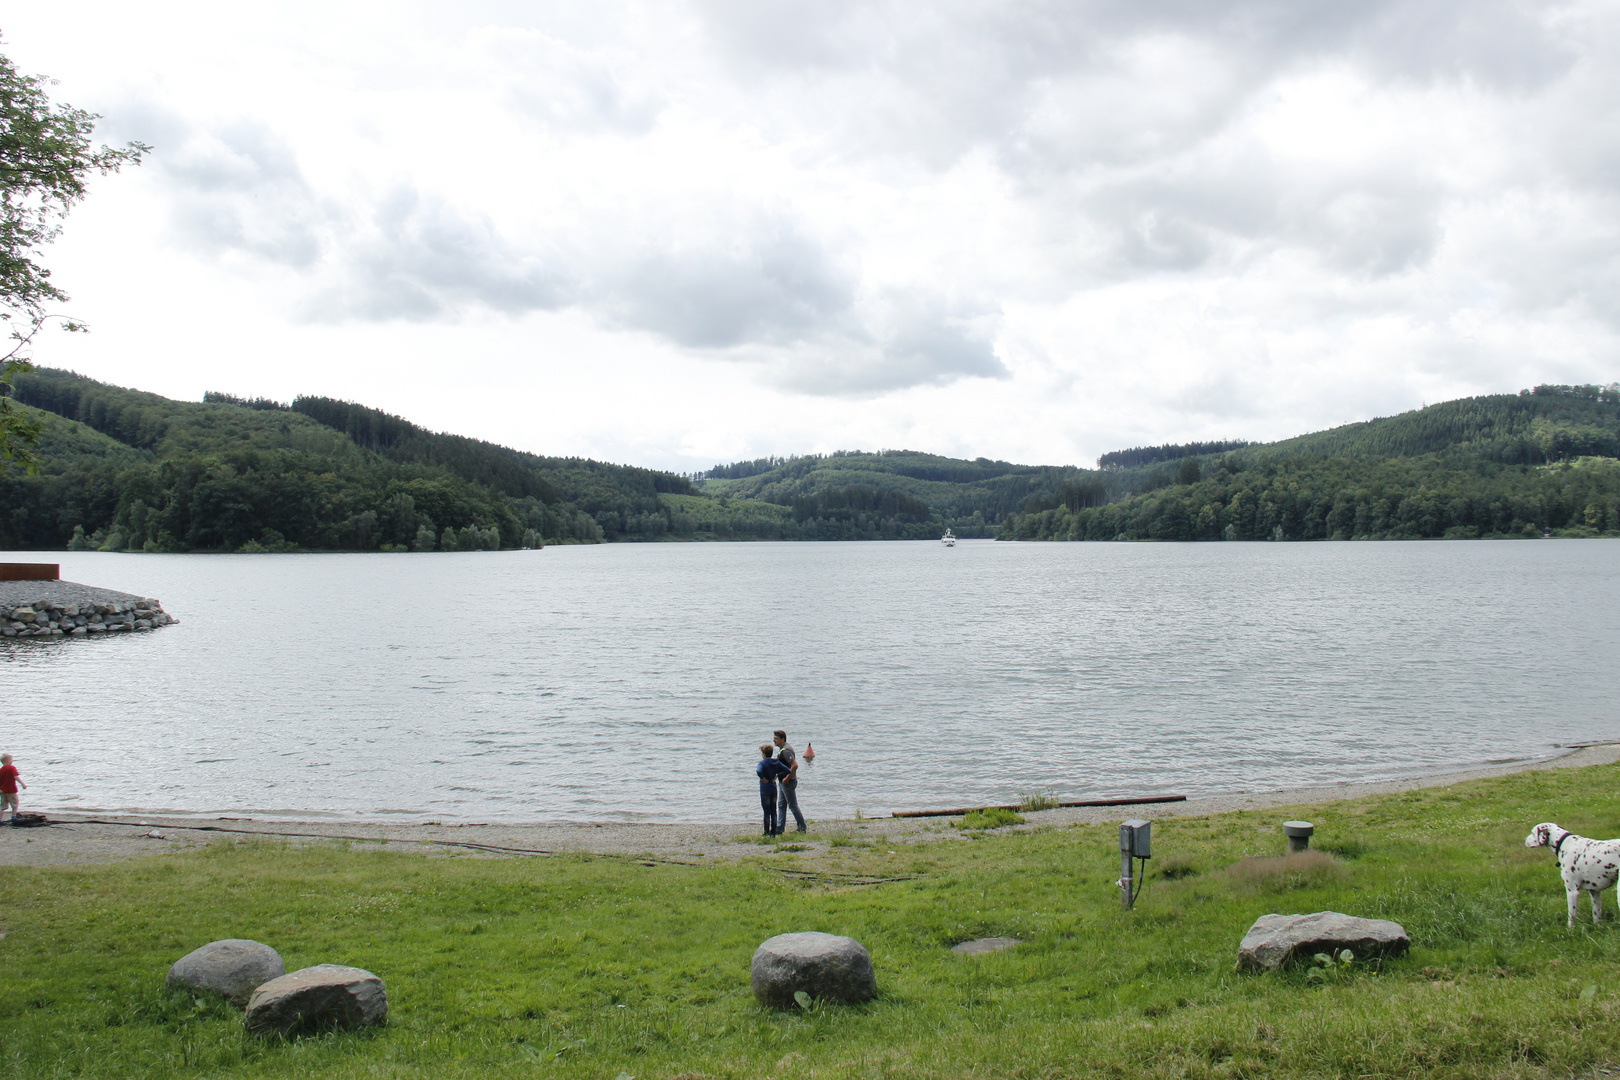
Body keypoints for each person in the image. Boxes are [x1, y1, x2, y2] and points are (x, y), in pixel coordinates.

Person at [773, 729, 806, 833]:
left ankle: (802, 827)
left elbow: (794, 765)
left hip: (788, 782)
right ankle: (779, 828)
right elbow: (783, 766)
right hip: (782, 781)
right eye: (774, 738)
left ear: (783, 739)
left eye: (776, 739)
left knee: (792, 805)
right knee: (781, 805)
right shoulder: (782, 749)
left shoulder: (786, 750)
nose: (774, 741)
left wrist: (787, 778)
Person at [756, 744, 789, 836]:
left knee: (766, 811)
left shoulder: (762, 763)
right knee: (773, 811)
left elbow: (758, 771)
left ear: (763, 754)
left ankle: (766, 831)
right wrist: (777, 775)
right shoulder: (776, 762)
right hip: (773, 788)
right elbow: (787, 770)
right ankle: (773, 831)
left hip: (765, 789)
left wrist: (762, 778)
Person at [0, 753, 25, 824]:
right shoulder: (11, 768)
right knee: (15, 804)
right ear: (8, 761)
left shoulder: (1, 770)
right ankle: (14, 817)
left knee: (2, 806)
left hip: (2, 790)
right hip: (11, 790)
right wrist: (22, 784)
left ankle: (0, 820)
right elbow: (15, 777)